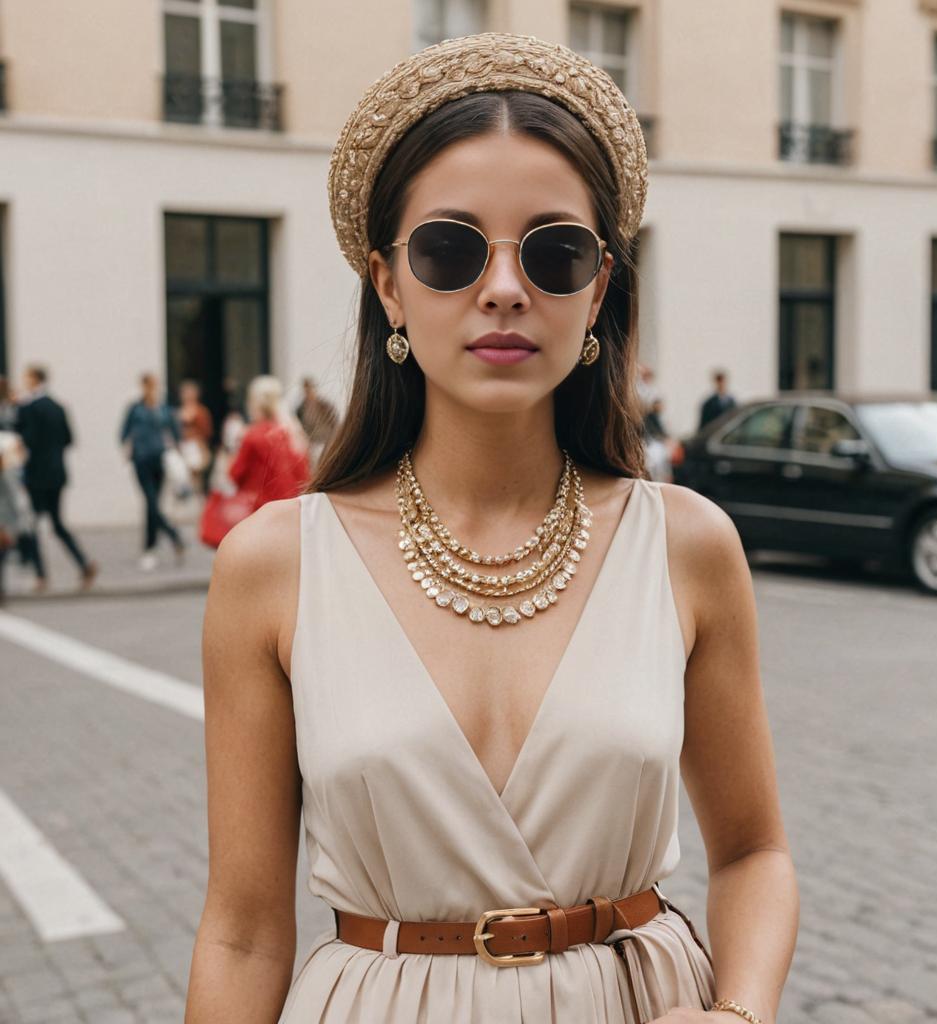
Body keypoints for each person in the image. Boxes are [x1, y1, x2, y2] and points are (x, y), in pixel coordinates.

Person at [185, 33, 797, 1024]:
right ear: (387, 283)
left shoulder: (685, 544)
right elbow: (243, 928)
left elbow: (754, 851)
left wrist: (738, 1014)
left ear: (599, 287)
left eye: (555, 251)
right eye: (450, 248)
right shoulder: (275, 565)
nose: (505, 287)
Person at [14, 365, 98, 592]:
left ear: (34, 380)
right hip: (57, 473)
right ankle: (84, 563)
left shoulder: (29, 408)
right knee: (58, 524)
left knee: (32, 526)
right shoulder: (58, 407)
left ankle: (41, 576)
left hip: (37, 476)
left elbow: (26, 441)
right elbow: (69, 438)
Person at [119, 372, 185, 572]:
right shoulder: (135, 408)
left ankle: (150, 548)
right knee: (151, 503)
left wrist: (176, 453)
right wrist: (128, 448)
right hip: (141, 459)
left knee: (152, 506)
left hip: (159, 459)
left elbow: (175, 432)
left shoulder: (163, 408)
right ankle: (173, 536)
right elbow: (123, 432)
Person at [227, 375, 310, 511]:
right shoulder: (292, 433)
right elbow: (304, 475)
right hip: (294, 508)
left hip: (263, 510)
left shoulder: (252, 435)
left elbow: (235, 473)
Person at [176, 379, 215, 496]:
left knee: (197, 479)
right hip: (182, 447)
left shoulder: (202, 412)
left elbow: (206, 432)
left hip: (197, 447)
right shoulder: (178, 412)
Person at [295, 376, 340, 468]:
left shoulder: (325, 406)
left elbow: (334, 423)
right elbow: (300, 427)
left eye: (310, 389)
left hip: (327, 441)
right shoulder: (300, 409)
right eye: (306, 390)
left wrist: (333, 440)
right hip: (312, 444)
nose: (309, 392)